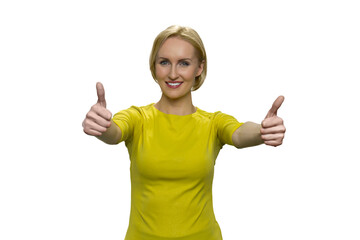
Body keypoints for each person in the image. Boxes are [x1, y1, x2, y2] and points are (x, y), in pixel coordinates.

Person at [82, 25, 286, 240]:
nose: (172, 73)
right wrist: (102, 127)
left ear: (199, 68)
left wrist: (262, 132)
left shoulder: (213, 123)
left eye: (184, 63)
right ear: (154, 67)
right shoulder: (138, 118)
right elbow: (114, 132)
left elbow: (239, 133)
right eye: (164, 62)